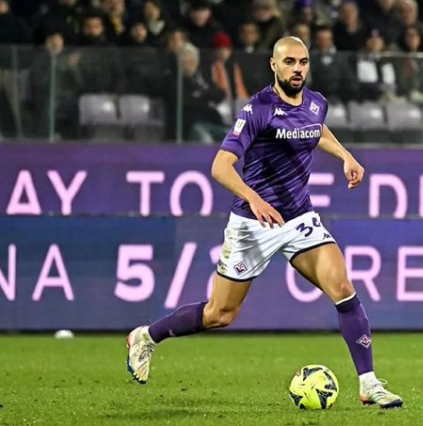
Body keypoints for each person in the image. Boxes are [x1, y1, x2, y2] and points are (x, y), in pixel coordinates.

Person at [126, 36, 403, 409]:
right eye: (289, 62)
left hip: (299, 216)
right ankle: (146, 336)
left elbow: (315, 128)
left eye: (303, 62)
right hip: (254, 223)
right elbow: (220, 166)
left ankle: (369, 383)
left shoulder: (317, 102)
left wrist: (345, 155)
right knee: (219, 314)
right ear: (274, 65)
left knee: (342, 287)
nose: (297, 69)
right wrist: (253, 199)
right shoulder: (258, 109)